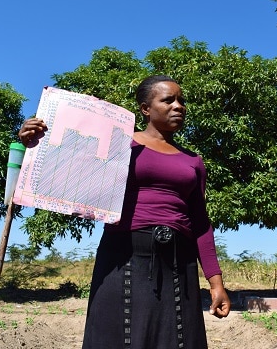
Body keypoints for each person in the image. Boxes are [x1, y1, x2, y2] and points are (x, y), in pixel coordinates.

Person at [18, 75, 231, 349]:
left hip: (179, 262)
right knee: (118, 337)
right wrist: (34, 142)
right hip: (124, 255)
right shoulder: (119, 145)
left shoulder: (193, 161)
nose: (179, 106)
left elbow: (201, 224)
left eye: (181, 100)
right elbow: (65, 169)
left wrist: (216, 283)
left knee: (177, 339)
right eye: (168, 100)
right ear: (145, 109)